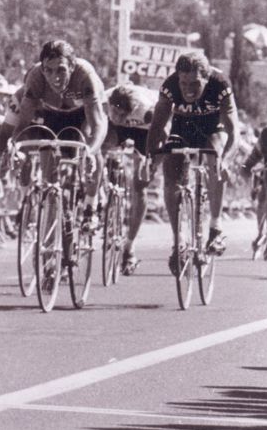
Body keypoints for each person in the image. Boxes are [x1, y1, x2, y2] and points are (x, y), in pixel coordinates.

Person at [146, 51, 240, 269]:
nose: (188, 89)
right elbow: (157, 127)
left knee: (214, 157)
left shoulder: (220, 84)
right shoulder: (170, 86)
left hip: (212, 127)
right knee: (171, 176)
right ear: (178, 78)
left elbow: (233, 132)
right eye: (184, 83)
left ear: (206, 79)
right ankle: (178, 240)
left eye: (195, 84)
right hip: (183, 127)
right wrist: (150, 159)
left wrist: (225, 161)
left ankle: (215, 228)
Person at [9, 40, 107, 226]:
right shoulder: (35, 77)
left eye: (61, 70)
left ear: (71, 66)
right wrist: (15, 147)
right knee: (48, 169)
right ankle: (53, 212)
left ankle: (90, 205)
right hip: (54, 113)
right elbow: (22, 125)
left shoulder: (85, 76)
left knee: (90, 145)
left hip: (83, 113)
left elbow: (97, 125)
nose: (55, 77)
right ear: (43, 69)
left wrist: (91, 152)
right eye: (49, 70)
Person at [103, 82, 161, 275]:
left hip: (147, 130)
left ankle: (130, 245)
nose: (118, 118)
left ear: (131, 110)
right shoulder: (103, 100)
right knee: (103, 144)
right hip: (117, 127)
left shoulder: (147, 109)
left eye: (122, 115)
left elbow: (163, 138)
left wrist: (151, 164)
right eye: (115, 113)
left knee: (140, 185)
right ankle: (99, 196)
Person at [240, 119, 267, 259]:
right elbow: (251, 161)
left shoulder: (266, 136)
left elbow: (250, 161)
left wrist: (245, 169)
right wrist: (246, 169)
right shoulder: (266, 136)